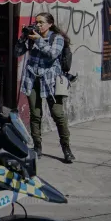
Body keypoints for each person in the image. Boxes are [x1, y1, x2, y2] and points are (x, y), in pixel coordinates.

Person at [16, 12, 73, 163]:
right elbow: (17, 52)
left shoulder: (57, 38)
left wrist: (39, 41)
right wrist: (23, 38)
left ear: (50, 24)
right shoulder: (33, 37)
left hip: (50, 82)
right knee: (35, 115)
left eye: (41, 22)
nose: (38, 25)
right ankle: (37, 147)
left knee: (58, 115)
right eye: (37, 22)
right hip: (32, 79)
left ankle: (66, 148)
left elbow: (52, 54)